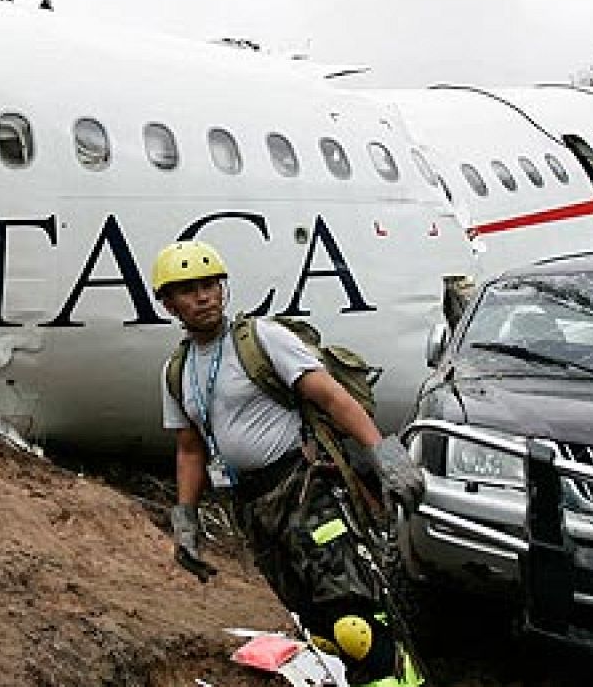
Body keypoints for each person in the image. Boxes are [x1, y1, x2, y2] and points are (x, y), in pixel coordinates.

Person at [153, 240, 425, 687]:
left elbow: (332, 397)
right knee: (317, 626)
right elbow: (190, 449)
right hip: (252, 508)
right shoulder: (176, 371)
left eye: (210, 285)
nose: (203, 297)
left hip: (304, 489)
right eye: (188, 290)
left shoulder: (262, 339)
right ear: (168, 304)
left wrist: (385, 456)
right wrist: (186, 518)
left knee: (352, 622)